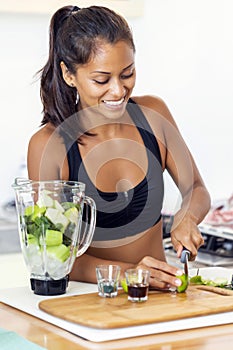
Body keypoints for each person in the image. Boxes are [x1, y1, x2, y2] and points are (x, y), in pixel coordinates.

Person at [27, 5, 211, 290]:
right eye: (101, 79)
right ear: (69, 75)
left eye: (127, 74)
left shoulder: (154, 114)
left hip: (159, 296)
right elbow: (52, 254)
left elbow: (196, 189)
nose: (118, 90)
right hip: (94, 302)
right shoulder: (50, 145)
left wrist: (187, 216)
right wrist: (129, 273)